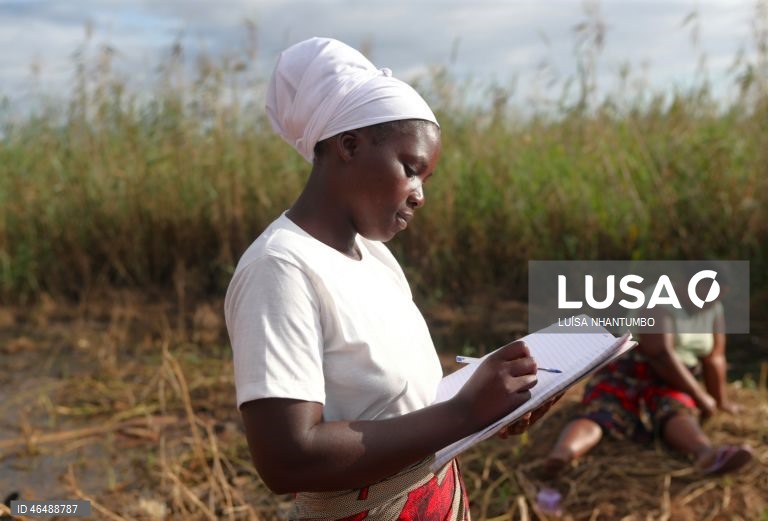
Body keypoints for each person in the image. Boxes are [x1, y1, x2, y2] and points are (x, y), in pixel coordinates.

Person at [224, 37, 557, 520]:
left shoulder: (375, 256)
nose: (420, 195)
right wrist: (462, 414)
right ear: (349, 146)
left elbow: (396, 403)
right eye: (411, 169)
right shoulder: (281, 268)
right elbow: (287, 458)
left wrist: (491, 403)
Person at [540, 277, 753, 501]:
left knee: (675, 409)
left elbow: (715, 358)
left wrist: (720, 400)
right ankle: (562, 454)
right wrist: (700, 396)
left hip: (675, 377)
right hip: (633, 368)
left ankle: (706, 453)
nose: (709, 302)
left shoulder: (713, 307)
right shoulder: (658, 301)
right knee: (603, 410)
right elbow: (660, 353)